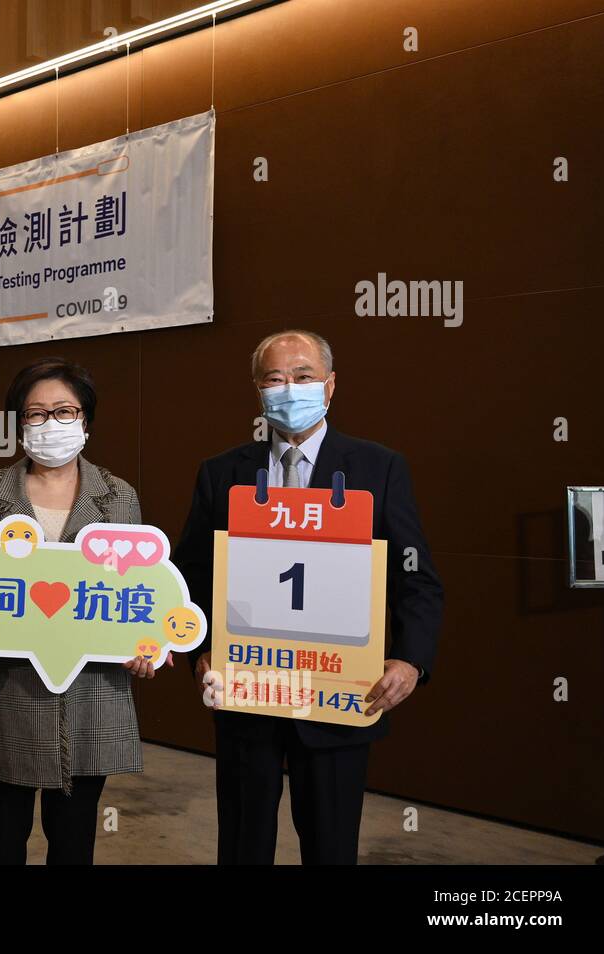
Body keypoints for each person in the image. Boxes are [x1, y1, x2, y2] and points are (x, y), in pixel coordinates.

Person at [175, 329, 444, 865]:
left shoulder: (378, 468)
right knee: (243, 845)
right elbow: (188, 578)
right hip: (247, 692)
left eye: (303, 377)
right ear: (258, 391)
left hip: (340, 697)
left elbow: (417, 578)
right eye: (275, 379)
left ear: (330, 386)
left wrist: (412, 659)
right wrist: (197, 650)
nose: (289, 388)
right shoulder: (222, 472)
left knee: (330, 846)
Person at [0, 357, 165, 866]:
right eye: (36, 413)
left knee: (74, 841)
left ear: (85, 420)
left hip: (92, 694)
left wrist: (146, 644)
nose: (50, 424)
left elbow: (136, 592)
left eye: (64, 411)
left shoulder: (119, 498)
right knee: (1, 836)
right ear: (20, 424)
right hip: (12, 691)